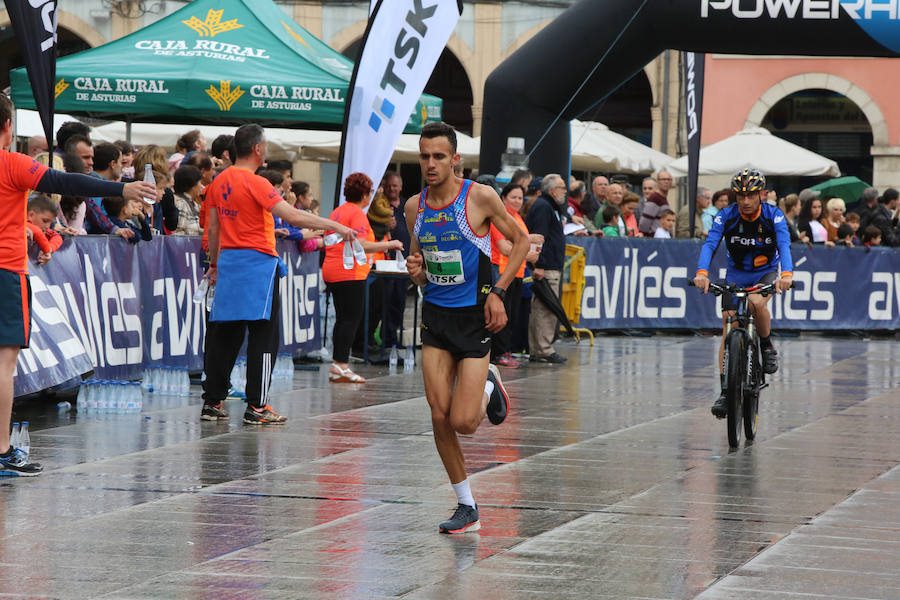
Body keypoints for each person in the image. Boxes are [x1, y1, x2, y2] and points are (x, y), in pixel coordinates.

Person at [0, 93, 155, 476]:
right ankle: (2, 450)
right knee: (4, 364)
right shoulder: (11, 164)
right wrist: (121, 190)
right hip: (5, 270)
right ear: (8, 127)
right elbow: (62, 179)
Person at [403, 122, 527, 534]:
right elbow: (422, 271)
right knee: (439, 416)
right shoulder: (413, 208)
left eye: (439, 156)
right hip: (436, 318)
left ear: (455, 159)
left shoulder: (479, 197)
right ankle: (466, 506)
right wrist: (417, 272)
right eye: (425, 156)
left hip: (475, 317)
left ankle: (490, 384)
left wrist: (499, 292)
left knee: (465, 422)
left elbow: (521, 242)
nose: (431, 164)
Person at [201, 123, 356, 424]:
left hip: (229, 262)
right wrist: (336, 226)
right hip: (257, 264)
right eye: (266, 145)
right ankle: (257, 406)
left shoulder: (219, 182)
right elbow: (292, 215)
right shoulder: (257, 183)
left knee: (224, 334)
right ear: (258, 149)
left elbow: (214, 227)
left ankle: (212, 401)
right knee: (264, 337)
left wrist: (214, 263)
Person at [693, 168, 793, 419]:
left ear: (761, 194)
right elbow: (710, 244)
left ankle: (766, 345)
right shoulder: (725, 216)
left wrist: (787, 275)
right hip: (736, 275)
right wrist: (702, 272)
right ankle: (726, 391)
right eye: (740, 196)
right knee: (729, 323)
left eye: (751, 196)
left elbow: (784, 245)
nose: (746, 202)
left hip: (765, 273)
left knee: (757, 302)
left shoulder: (774, 215)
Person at [323, 173, 403, 382]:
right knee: (351, 319)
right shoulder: (357, 214)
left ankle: (337, 364)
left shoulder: (337, 212)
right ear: (365, 194)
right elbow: (361, 244)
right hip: (349, 271)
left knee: (342, 318)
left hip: (332, 269)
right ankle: (341, 364)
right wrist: (390, 244)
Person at [489, 183, 541, 368]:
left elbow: (521, 244)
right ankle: (498, 352)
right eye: (514, 197)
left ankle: (506, 351)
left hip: (518, 272)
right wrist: (528, 251)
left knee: (512, 315)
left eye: (520, 198)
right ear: (503, 198)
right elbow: (505, 248)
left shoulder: (518, 218)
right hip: (503, 271)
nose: (518, 201)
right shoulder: (500, 218)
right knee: (501, 314)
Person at [525, 174, 567, 364]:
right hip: (546, 266)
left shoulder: (549, 206)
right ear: (552, 190)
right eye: (562, 188)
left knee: (543, 308)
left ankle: (538, 348)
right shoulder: (544, 206)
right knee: (545, 309)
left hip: (549, 265)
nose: (565, 192)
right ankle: (543, 349)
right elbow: (538, 236)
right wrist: (539, 264)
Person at [382, 171, 409, 349]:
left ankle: (395, 336)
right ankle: (387, 338)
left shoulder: (407, 205)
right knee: (387, 301)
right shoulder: (381, 206)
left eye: (395, 185)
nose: (392, 189)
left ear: (400, 187)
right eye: (389, 185)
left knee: (400, 300)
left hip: (405, 261)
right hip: (387, 261)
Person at [25, 193, 62, 265]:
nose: (48, 226)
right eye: (45, 221)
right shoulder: (20, 224)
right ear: (31, 215)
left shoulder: (43, 230)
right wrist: (46, 250)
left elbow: (56, 236)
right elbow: (37, 232)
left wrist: (50, 249)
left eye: (50, 223)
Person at [173, 165, 204, 236]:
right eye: (200, 182)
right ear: (193, 185)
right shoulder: (181, 204)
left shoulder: (194, 205)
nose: (201, 186)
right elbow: (178, 234)